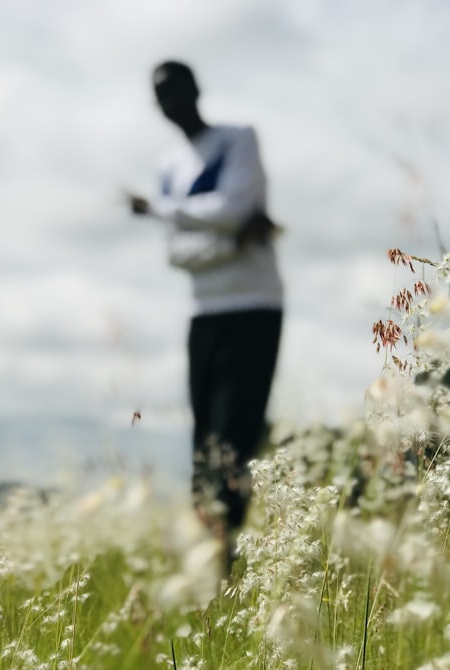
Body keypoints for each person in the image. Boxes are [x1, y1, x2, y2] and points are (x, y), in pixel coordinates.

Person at [127, 60, 283, 575]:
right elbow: (178, 254)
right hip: (204, 313)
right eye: (160, 96)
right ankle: (209, 560)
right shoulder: (169, 164)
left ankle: (228, 562)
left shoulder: (239, 139)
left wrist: (162, 209)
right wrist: (232, 239)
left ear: (196, 90)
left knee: (236, 433)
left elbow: (236, 207)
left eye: (175, 91)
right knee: (204, 440)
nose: (170, 103)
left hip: (255, 307)